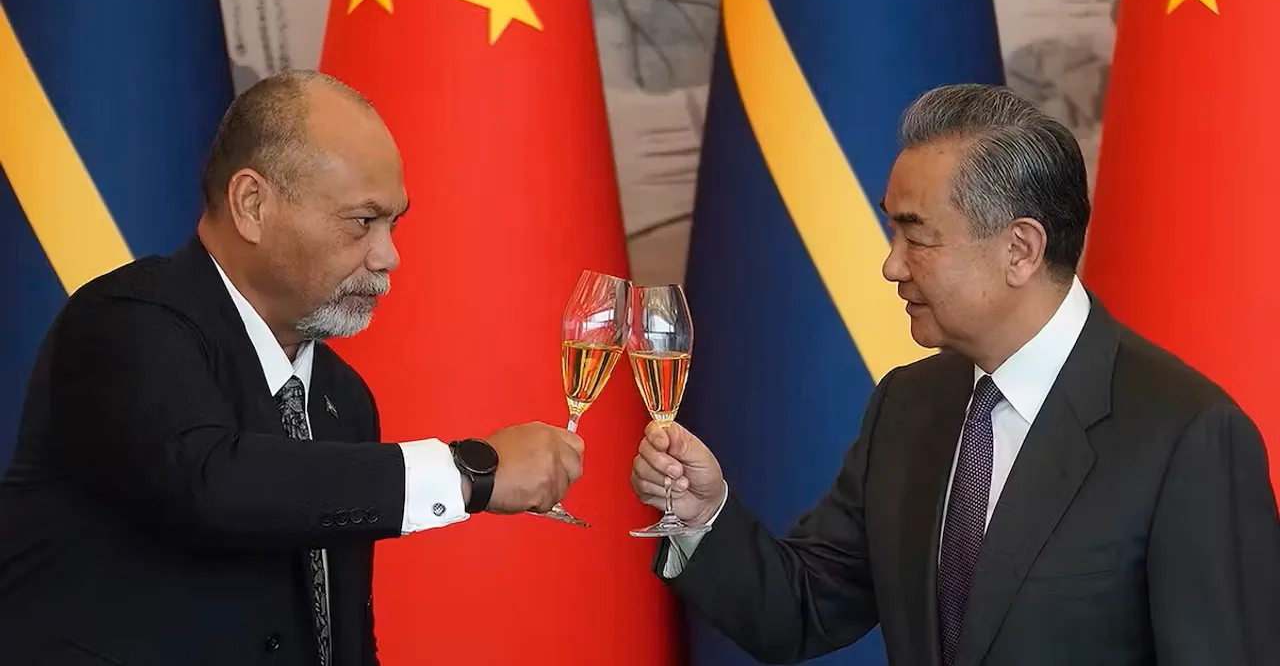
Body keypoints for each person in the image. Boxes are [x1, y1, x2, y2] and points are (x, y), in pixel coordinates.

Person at [631, 83, 1280, 665]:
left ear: (1020, 250)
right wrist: (699, 513)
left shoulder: (1188, 435)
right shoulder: (908, 407)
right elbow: (799, 611)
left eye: (917, 235)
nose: (891, 265)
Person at [0, 70, 584, 665]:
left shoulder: (342, 397)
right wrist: (469, 473)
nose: (389, 257)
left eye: (394, 223)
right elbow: (214, 483)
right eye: (362, 221)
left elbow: (341, 631)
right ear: (252, 205)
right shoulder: (123, 322)